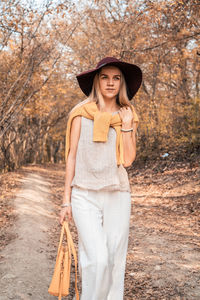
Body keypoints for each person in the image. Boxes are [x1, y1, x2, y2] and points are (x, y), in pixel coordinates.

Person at [59, 56, 142, 300]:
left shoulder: (127, 115)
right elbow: (71, 157)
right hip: (84, 194)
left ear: (122, 84)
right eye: (105, 77)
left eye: (116, 78)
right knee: (96, 259)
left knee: (115, 260)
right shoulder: (80, 113)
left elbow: (127, 160)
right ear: (96, 81)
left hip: (118, 194)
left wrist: (126, 127)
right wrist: (66, 201)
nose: (110, 83)